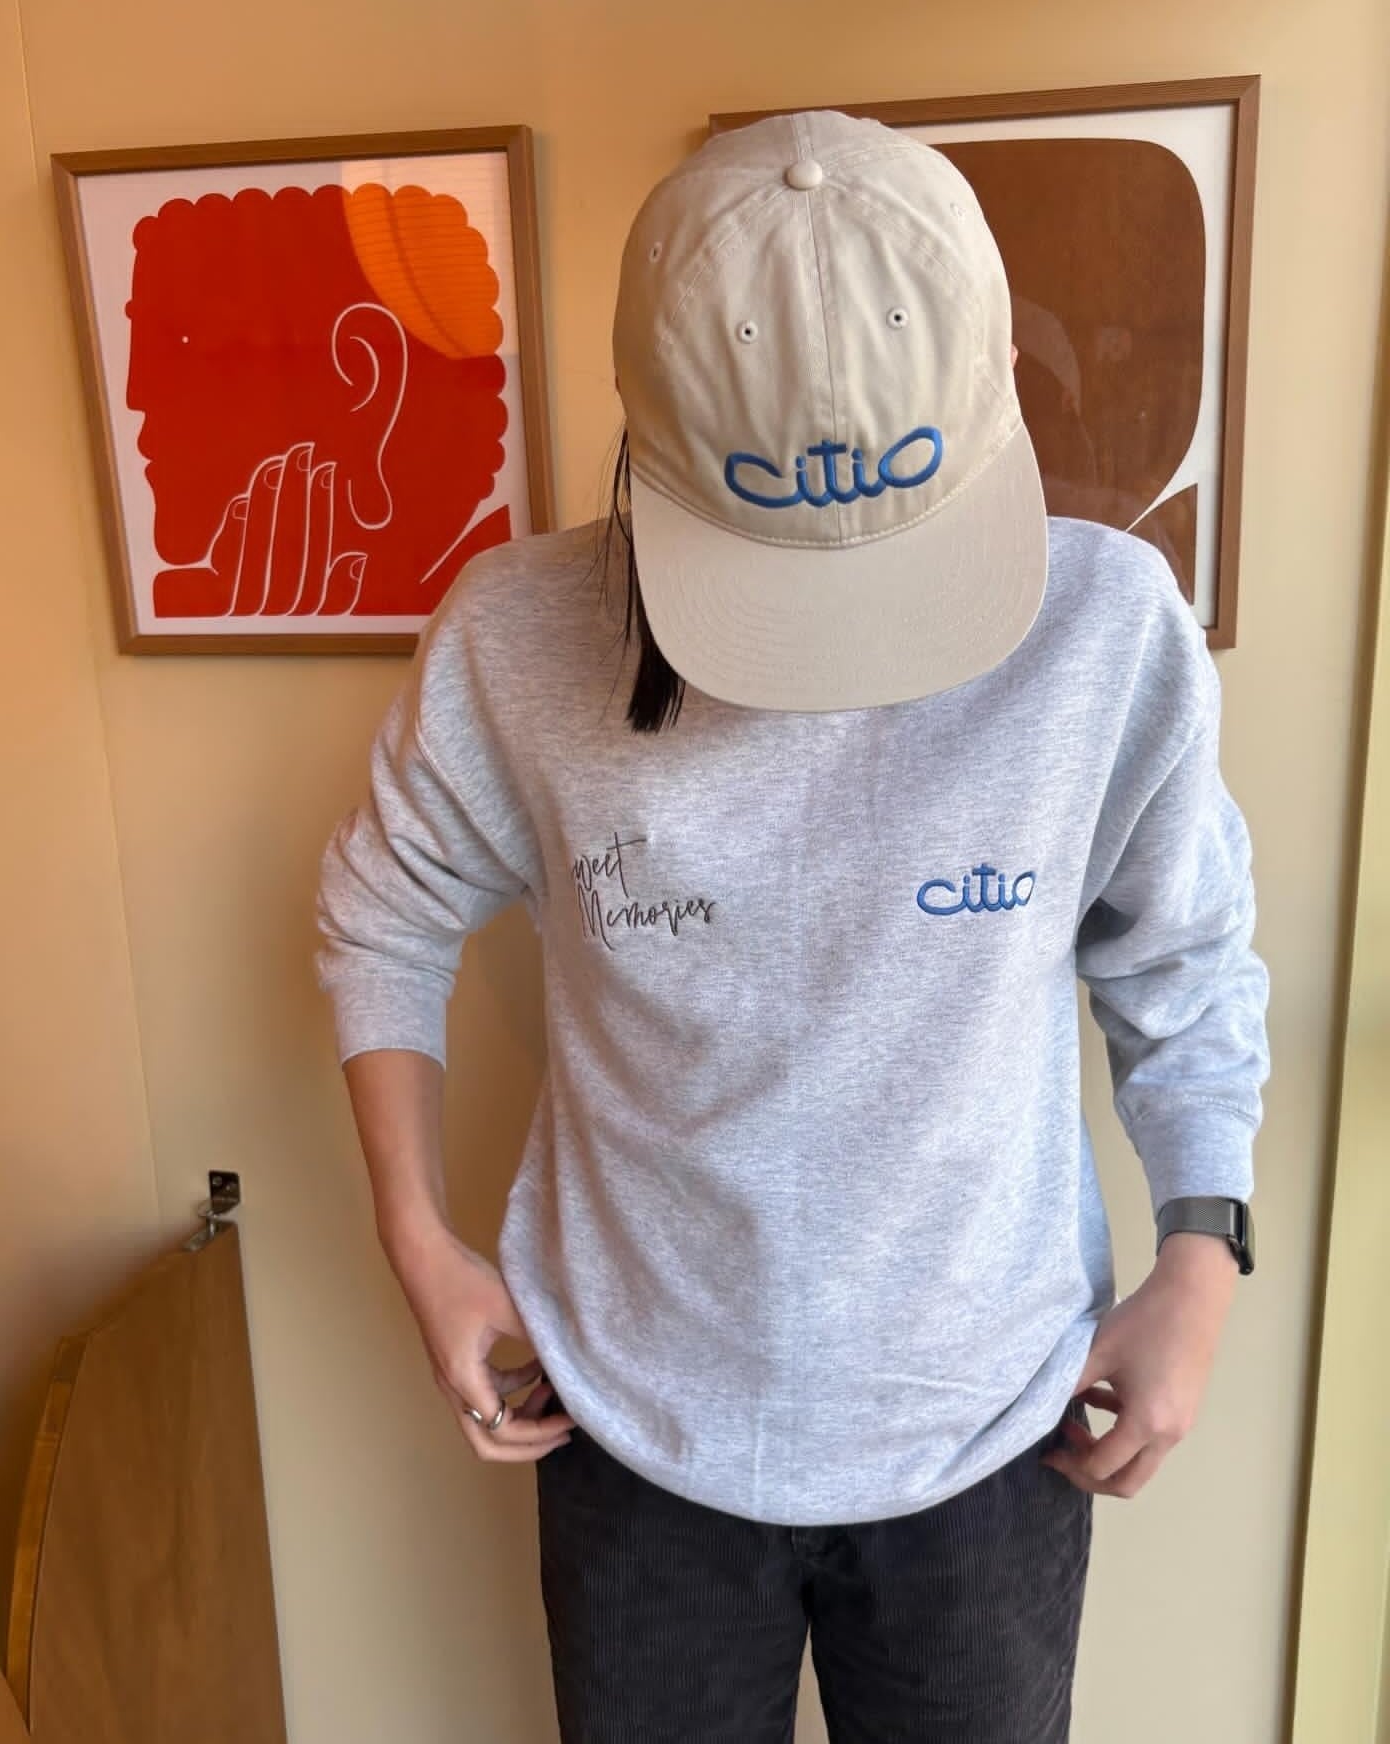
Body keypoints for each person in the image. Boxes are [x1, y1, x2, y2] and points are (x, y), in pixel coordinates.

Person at [315, 108, 1269, 1744]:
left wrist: (1204, 1251)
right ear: (648, 424)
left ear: (996, 383)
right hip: (634, 1431)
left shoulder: (1110, 632)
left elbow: (1183, 962)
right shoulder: (513, 637)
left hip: (994, 1429)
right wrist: (416, 1236)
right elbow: (381, 911)